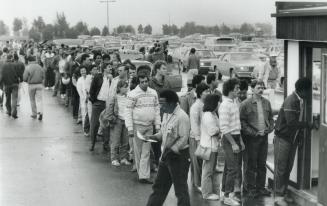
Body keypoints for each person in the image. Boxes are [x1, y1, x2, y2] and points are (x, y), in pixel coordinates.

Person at [145, 89, 191, 206]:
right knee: (158, 188)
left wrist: (173, 150)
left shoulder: (182, 117)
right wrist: (154, 137)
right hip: (165, 156)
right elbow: (163, 132)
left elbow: (183, 138)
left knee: (180, 190)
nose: (161, 107)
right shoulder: (166, 114)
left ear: (171, 103)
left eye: (162, 104)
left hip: (178, 158)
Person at [274, 77, 313, 206]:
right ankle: (278, 196)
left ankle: (283, 193)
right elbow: (291, 123)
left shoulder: (299, 100)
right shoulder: (291, 101)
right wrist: (308, 124)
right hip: (283, 139)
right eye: (308, 90)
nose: (310, 93)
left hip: (292, 139)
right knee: (281, 168)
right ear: (302, 90)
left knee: (288, 168)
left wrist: (300, 136)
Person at [239, 80, 274, 198]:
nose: (261, 90)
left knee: (262, 164)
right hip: (251, 139)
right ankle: (250, 188)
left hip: (264, 138)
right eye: (258, 87)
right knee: (251, 164)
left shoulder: (267, 103)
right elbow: (242, 122)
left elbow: (271, 119)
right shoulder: (245, 104)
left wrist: (270, 129)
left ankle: (260, 188)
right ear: (252, 89)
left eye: (262, 87)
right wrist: (253, 133)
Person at [125, 70, 161, 184]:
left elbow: (157, 109)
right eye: (142, 82)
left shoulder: (153, 93)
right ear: (138, 82)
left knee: (146, 151)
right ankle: (141, 173)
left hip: (149, 126)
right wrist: (130, 128)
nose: (144, 83)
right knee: (139, 151)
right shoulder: (132, 94)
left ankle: (144, 176)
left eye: (146, 81)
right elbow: (128, 111)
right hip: (137, 126)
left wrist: (158, 125)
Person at [219, 78, 244, 206]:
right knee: (233, 168)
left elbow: (236, 125)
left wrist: (240, 140)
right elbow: (224, 128)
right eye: (236, 89)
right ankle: (228, 195)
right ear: (230, 90)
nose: (239, 91)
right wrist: (233, 143)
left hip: (236, 137)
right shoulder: (225, 105)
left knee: (228, 168)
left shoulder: (234, 103)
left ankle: (224, 194)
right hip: (229, 139)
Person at [200, 94, 221, 200]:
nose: (219, 104)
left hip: (212, 145)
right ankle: (206, 193)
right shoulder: (208, 115)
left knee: (209, 170)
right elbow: (212, 131)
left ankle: (208, 190)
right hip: (209, 146)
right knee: (207, 171)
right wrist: (219, 129)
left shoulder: (212, 113)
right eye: (218, 102)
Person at [189, 83, 210, 191]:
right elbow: (194, 124)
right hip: (196, 138)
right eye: (206, 91)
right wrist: (198, 139)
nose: (208, 93)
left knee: (202, 161)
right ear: (200, 93)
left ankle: (198, 182)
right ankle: (197, 184)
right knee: (196, 162)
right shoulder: (195, 106)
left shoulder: (204, 105)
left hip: (204, 137)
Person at [89, 63, 113, 151]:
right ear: (104, 69)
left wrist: (111, 80)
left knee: (106, 125)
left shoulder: (112, 78)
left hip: (107, 104)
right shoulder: (97, 77)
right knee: (94, 124)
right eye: (109, 67)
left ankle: (106, 144)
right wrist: (93, 101)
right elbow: (92, 90)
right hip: (97, 102)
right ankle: (92, 143)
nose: (111, 68)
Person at [107, 80, 131, 166]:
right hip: (117, 120)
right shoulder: (114, 97)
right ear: (119, 88)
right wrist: (111, 119)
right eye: (124, 87)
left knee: (125, 141)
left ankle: (123, 158)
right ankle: (114, 158)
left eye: (127, 87)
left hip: (126, 120)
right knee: (115, 140)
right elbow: (109, 109)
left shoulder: (128, 97)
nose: (126, 89)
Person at [23, 55, 45, 120]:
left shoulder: (28, 67)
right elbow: (43, 76)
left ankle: (34, 114)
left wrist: (28, 80)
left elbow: (24, 78)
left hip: (31, 85)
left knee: (32, 100)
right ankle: (41, 112)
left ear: (29, 61)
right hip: (39, 85)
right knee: (39, 100)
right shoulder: (40, 67)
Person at [2, 54, 21, 118]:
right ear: (11, 58)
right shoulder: (15, 64)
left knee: (7, 98)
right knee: (14, 99)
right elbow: (19, 74)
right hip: (15, 84)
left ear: (6, 58)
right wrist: (21, 80)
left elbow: (1, 75)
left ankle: (9, 111)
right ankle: (14, 112)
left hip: (7, 84)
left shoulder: (3, 65)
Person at [76, 67, 89, 136]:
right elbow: (79, 91)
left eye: (84, 70)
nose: (83, 72)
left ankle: (89, 129)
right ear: (80, 72)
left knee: (89, 114)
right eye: (82, 71)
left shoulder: (89, 78)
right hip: (83, 99)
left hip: (89, 99)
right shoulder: (79, 80)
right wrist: (84, 98)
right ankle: (85, 129)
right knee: (84, 114)